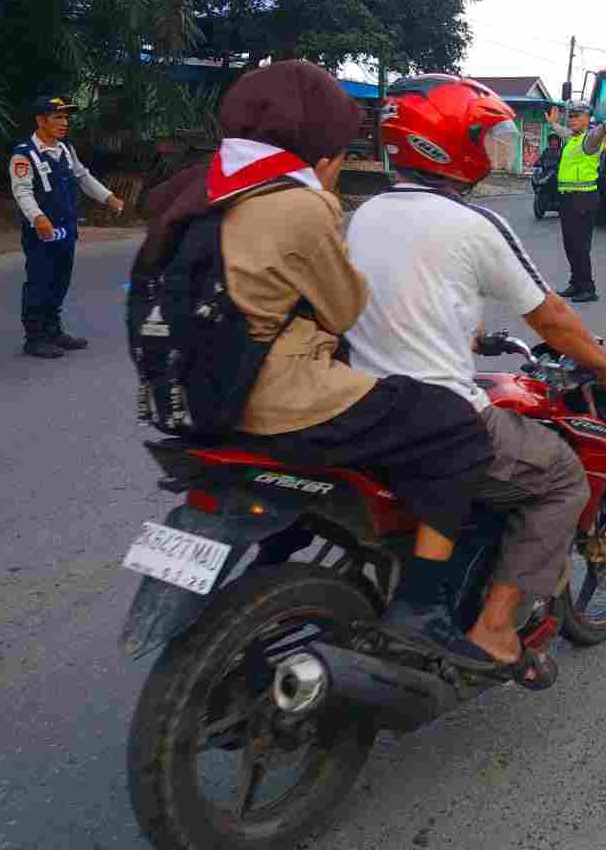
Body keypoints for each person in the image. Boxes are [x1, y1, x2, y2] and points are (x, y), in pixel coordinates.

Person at [135, 61, 502, 667]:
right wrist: (324, 201)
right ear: (318, 145)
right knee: (454, 427)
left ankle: (268, 590)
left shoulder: (198, 188)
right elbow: (345, 308)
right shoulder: (301, 205)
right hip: (274, 399)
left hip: (188, 395)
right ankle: (421, 605)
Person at [350, 75, 606, 688]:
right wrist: (602, 357)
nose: (493, 153)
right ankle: (494, 628)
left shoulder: (365, 214)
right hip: (433, 413)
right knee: (561, 476)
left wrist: (469, 333)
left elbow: (408, 297)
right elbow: (551, 316)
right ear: (450, 144)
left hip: (360, 403)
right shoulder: (473, 224)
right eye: (484, 139)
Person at [10, 96, 124, 358]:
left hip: (66, 228)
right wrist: (38, 218)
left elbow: (83, 177)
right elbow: (23, 192)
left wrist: (108, 197)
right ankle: (35, 337)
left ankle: (53, 330)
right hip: (41, 232)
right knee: (40, 280)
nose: (64, 123)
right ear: (41, 120)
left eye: (66, 117)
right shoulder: (24, 154)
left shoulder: (65, 149)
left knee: (60, 280)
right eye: (57, 117)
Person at [546, 102, 606, 302]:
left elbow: (597, 134)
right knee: (570, 244)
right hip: (568, 197)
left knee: (580, 245)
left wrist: (604, 126)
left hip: (583, 198)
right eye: (571, 116)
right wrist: (553, 124)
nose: (572, 119)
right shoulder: (573, 138)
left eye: (577, 116)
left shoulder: (590, 139)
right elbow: (564, 132)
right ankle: (576, 283)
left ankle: (588, 288)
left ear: (587, 118)